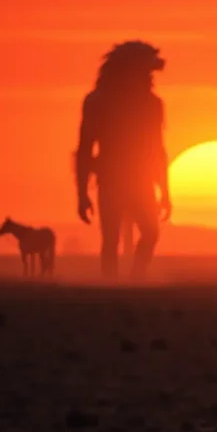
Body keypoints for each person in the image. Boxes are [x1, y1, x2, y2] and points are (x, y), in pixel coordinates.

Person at [74, 40, 172, 279]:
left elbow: (158, 149)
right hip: (111, 179)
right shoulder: (98, 102)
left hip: (141, 179)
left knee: (150, 233)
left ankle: (135, 279)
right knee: (111, 238)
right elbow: (85, 148)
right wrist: (82, 193)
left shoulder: (152, 104)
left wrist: (165, 190)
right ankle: (111, 285)